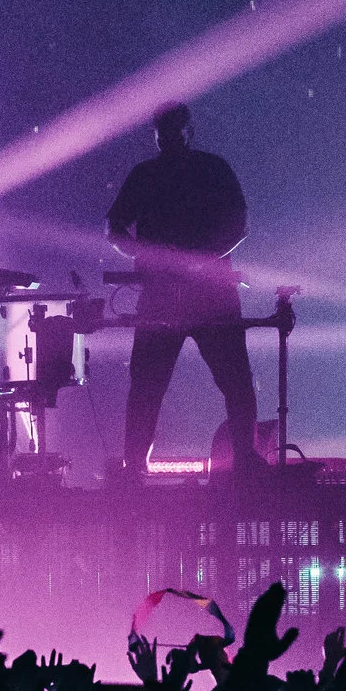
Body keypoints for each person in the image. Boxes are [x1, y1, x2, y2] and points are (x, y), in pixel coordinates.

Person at [107, 103, 260, 479]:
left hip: (183, 293)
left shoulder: (151, 174)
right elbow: (240, 226)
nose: (168, 140)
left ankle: (134, 468)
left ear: (187, 132)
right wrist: (197, 260)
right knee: (228, 382)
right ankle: (246, 463)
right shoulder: (209, 168)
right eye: (164, 135)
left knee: (150, 386)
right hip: (204, 293)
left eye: (171, 134)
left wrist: (159, 258)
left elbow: (114, 230)